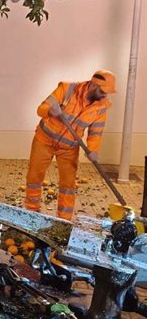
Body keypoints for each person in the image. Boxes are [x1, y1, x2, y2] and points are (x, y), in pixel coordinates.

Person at [24, 70, 117, 220]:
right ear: (93, 85)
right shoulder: (67, 89)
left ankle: (64, 220)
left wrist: (93, 150)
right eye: (103, 91)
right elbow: (40, 109)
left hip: (69, 148)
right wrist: (50, 110)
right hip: (44, 140)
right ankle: (31, 212)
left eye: (107, 92)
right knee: (34, 177)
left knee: (68, 185)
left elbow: (96, 132)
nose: (105, 95)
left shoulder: (102, 106)